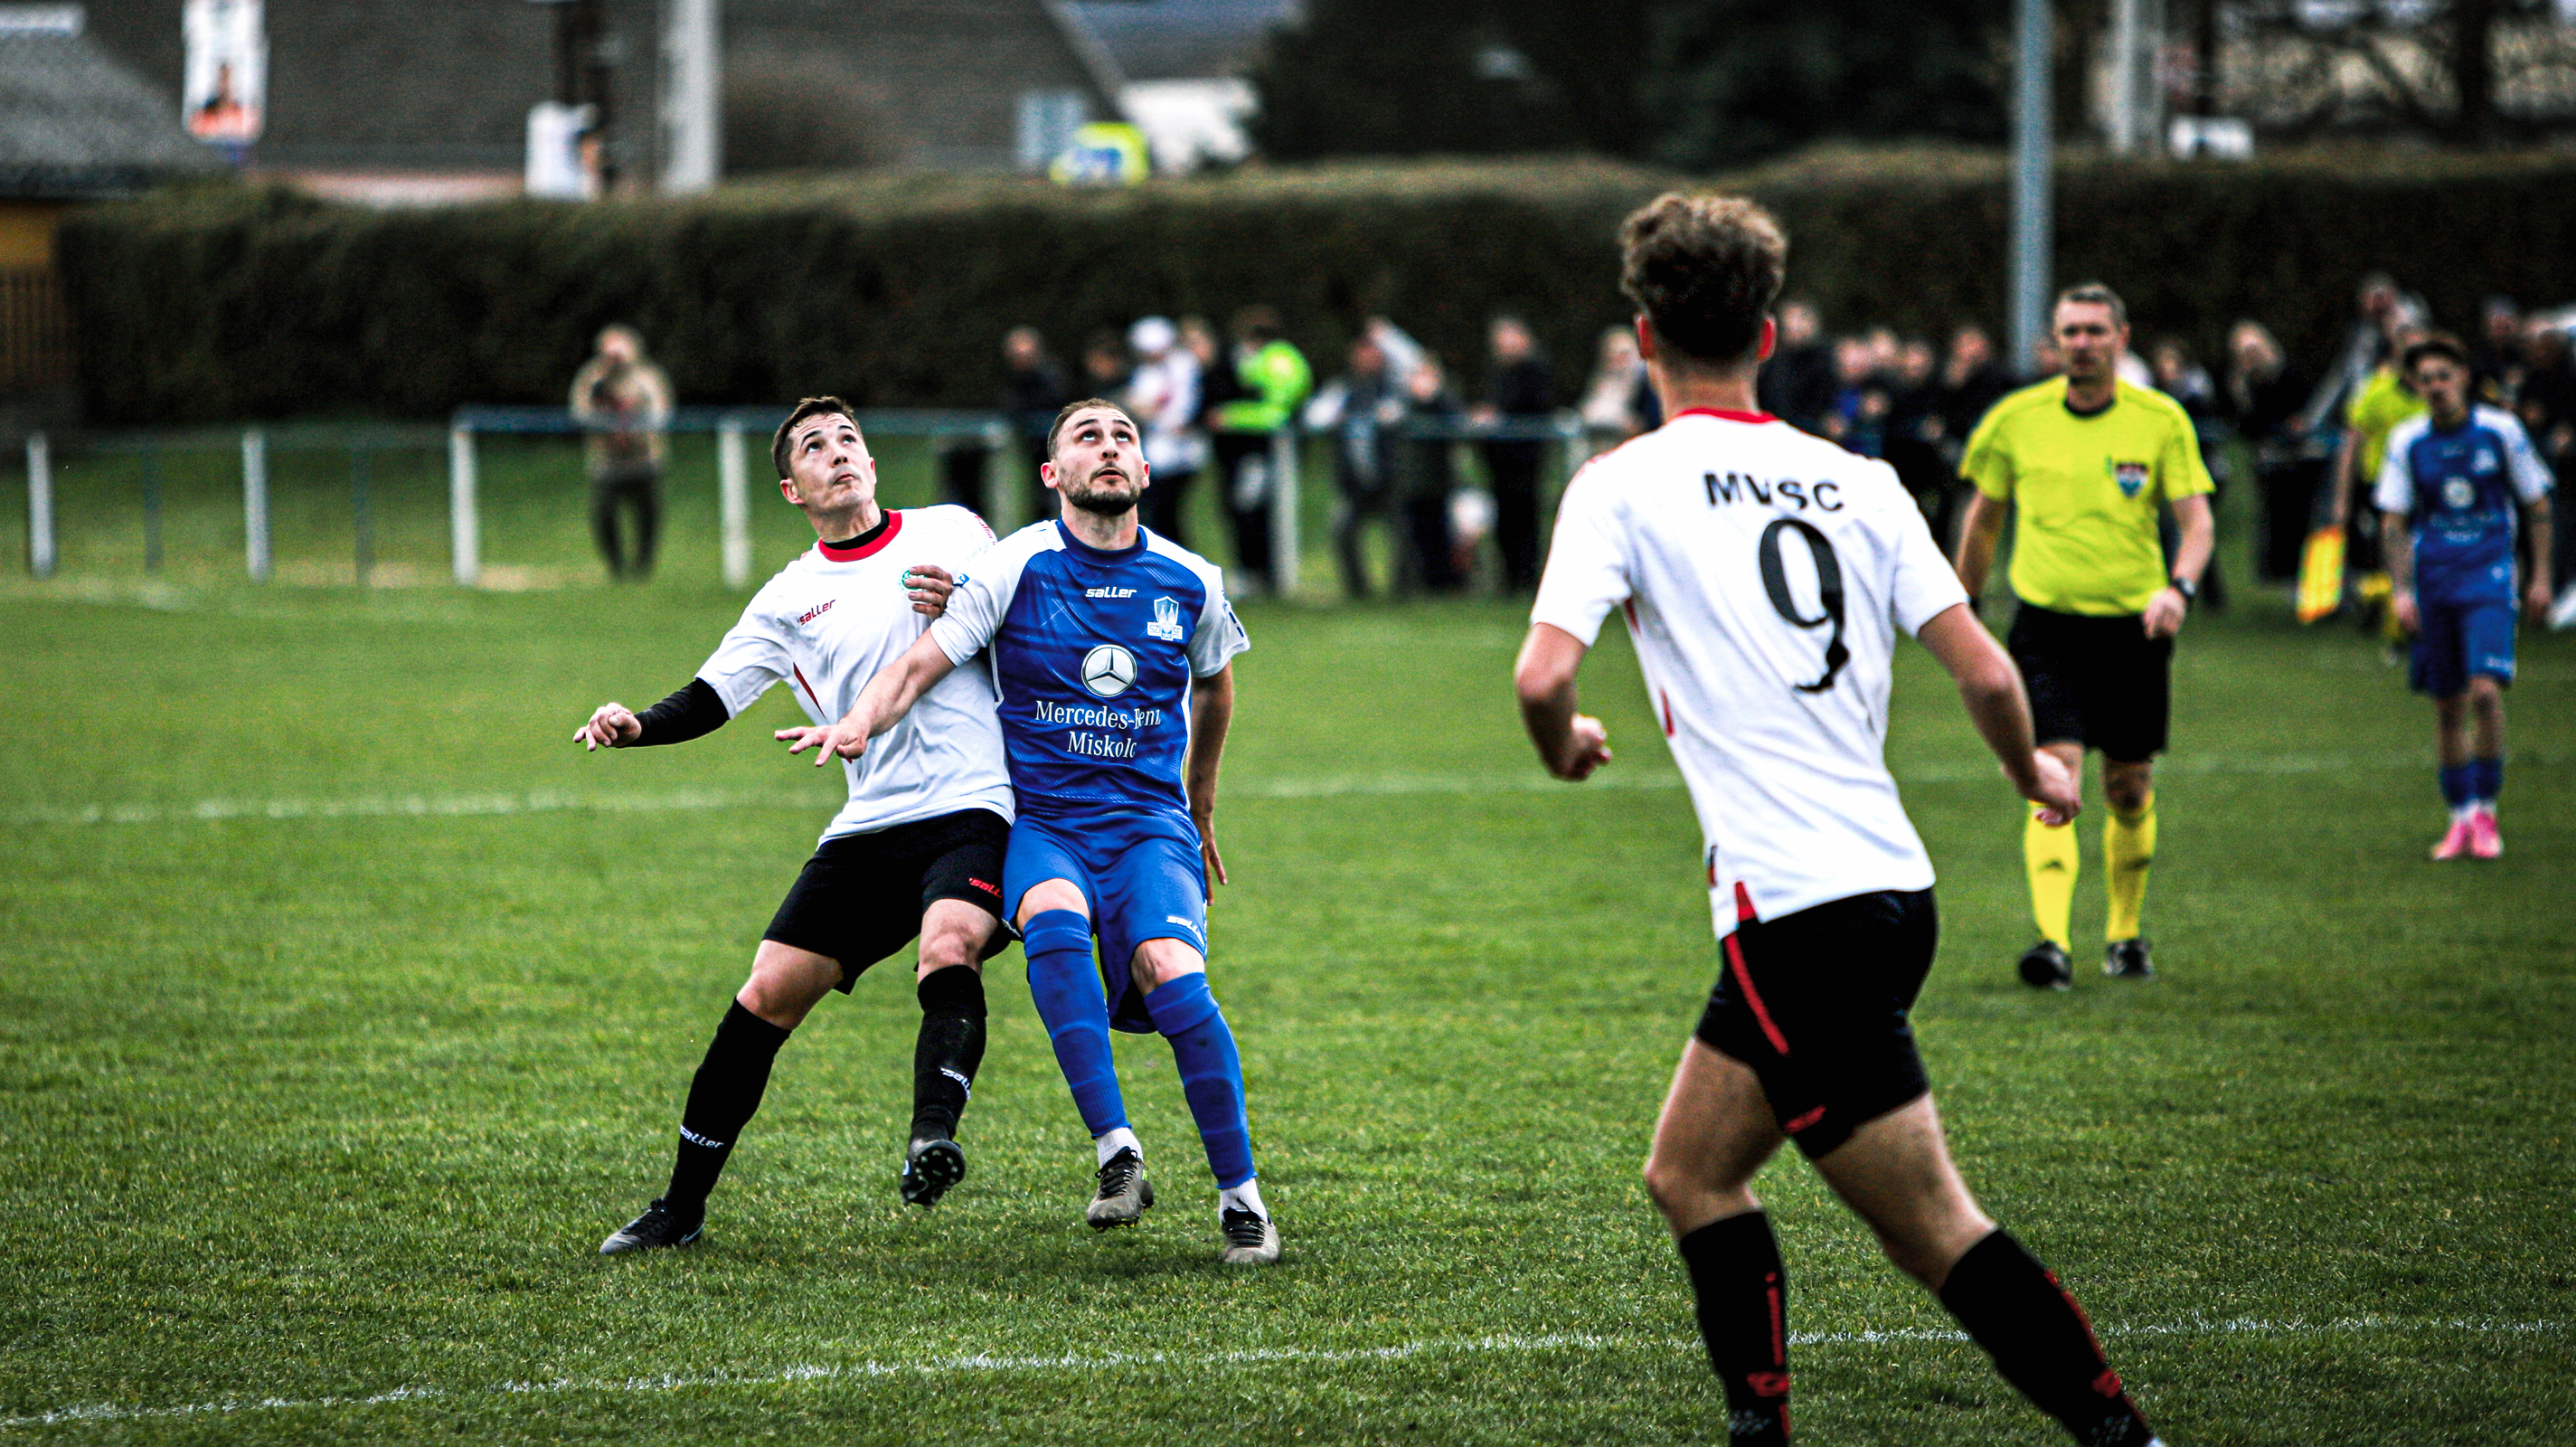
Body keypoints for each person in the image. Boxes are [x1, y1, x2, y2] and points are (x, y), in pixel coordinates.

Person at [1515, 191, 2162, 1447]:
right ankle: (1760, 1430)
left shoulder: (1620, 483)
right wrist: (2032, 775)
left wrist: (1564, 744)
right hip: (1887, 892)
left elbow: (1544, 676)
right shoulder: (1858, 481)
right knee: (1689, 1173)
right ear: (1766, 335)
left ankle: (2122, 1436)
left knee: (1932, 1229)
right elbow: (1987, 672)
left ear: (1642, 338)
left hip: (1795, 914)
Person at [790, 399, 1276, 1266]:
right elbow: (919, 662)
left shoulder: (1190, 579)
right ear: (1052, 474)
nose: (1109, 448)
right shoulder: (1013, 566)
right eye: (1087, 438)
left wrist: (1200, 804)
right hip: (1045, 824)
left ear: (1145, 471)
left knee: (1171, 975)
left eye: (1124, 438)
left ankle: (1242, 1199)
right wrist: (859, 722)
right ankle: (1116, 1150)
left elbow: (1214, 680)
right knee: (1052, 922)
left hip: (1148, 829)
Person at [580, 397, 1012, 1253]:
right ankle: (680, 1208)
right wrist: (639, 725)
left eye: (848, 439)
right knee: (765, 994)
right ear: (791, 490)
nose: (837, 453)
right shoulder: (788, 598)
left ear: (872, 464)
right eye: (814, 447)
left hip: (975, 802)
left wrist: (968, 597)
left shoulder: (956, 533)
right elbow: (713, 695)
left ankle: (931, 1138)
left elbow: (1030, 621)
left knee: (949, 942)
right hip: (870, 820)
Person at [1953, 283, 2216, 989]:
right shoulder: (2014, 420)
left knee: (2128, 786)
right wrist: (1961, 604)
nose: (2081, 344)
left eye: (2095, 331)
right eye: (2069, 331)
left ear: (2120, 339)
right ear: (2053, 341)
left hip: (2134, 627)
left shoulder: (2160, 419)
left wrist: (2178, 589)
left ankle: (2124, 937)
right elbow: (1982, 519)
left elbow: (2196, 523)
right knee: (2054, 774)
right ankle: (2051, 943)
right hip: (2046, 626)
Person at [2374, 334, 2556, 858]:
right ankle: (2458, 818)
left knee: (2485, 693)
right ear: (2415, 386)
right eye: (2425, 378)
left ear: (2463, 378)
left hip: (2489, 576)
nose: (2435, 386)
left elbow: (2537, 504)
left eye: (2444, 375)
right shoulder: (2408, 440)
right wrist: (2401, 590)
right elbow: (2393, 520)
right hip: (2434, 581)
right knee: (2447, 706)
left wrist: (2541, 577)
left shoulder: (2501, 431)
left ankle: (2486, 812)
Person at [1208, 307, 1311, 596]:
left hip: (1268, 450)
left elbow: (1277, 414)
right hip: (1265, 450)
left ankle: (1262, 574)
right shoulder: (1285, 358)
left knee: (1252, 509)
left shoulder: (1275, 362)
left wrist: (1230, 416)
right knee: (1256, 509)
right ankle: (1266, 574)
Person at [1305, 332, 1406, 598]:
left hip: (1391, 481)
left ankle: (1402, 590)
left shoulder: (1392, 387)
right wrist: (1334, 416)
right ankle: (1359, 591)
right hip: (1352, 484)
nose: (1368, 358)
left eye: (1374, 353)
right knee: (1342, 530)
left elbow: (1399, 411)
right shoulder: (1342, 388)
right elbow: (1314, 417)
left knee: (1405, 532)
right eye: (1363, 352)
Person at [569, 326, 674, 581]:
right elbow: (579, 413)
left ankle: (643, 567)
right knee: (604, 513)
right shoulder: (591, 377)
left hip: (644, 459)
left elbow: (661, 414)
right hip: (607, 462)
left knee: (648, 514)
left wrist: (634, 426)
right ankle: (616, 566)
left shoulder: (648, 377)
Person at [2222, 320, 2322, 581]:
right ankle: (2283, 573)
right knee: (2276, 520)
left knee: (2305, 518)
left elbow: (2304, 414)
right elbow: (2245, 424)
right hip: (2268, 462)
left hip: (2301, 460)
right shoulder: (2243, 385)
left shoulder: (2289, 374)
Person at [1474, 314, 1554, 591]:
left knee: (1525, 519)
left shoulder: (1535, 371)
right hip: (1500, 460)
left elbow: (1536, 408)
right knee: (1504, 520)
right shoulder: (1498, 373)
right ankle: (1509, 578)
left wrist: (1499, 416)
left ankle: (1526, 578)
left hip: (1525, 459)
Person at [1125, 316, 1204, 548]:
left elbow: (1183, 405)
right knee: (1157, 513)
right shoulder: (1146, 373)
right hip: (1158, 451)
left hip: (1182, 450)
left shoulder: (1184, 365)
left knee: (1167, 510)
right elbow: (1140, 407)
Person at [1397, 355, 1467, 593]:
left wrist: (1433, 399)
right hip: (1411, 484)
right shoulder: (1405, 404)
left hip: (1439, 484)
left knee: (1441, 535)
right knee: (1416, 537)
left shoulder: (1444, 402)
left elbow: (1455, 427)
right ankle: (1419, 584)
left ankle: (1444, 585)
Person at [1000, 326, 1071, 524]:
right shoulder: (1012, 377)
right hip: (1029, 440)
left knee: (1052, 489)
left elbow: (1053, 402)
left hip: (1049, 440)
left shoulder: (1049, 375)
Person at [1754, 298, 1835, 432]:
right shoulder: (1772, 359)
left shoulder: (1825, 361)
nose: (1794, 326)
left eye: (1801, 319)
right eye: (1790, 319)